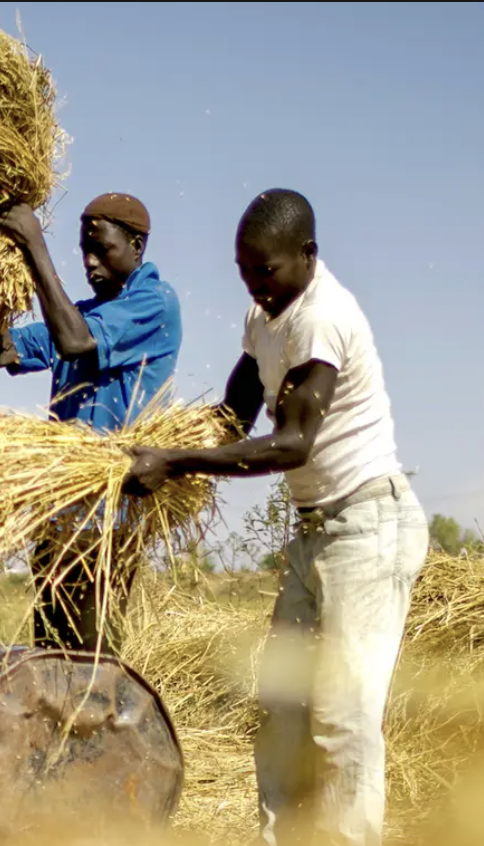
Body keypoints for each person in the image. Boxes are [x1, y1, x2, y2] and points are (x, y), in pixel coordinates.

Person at [124, 189, 428, 846]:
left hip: (369, 531)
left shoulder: (322, 318)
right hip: (315, 533)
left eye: (268, 270)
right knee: (284, 710)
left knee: (344, 718)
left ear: (307, 256)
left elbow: (292, 442)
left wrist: (177, 462)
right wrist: (157, 443)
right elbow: (235, 411)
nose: (256, 284)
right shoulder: (266, 319)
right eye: (245, 270)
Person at [0, 194, 182, 653]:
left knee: (93, 659)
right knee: (50, 652)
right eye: (83, 251)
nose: (90, 261)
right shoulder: (80, 312)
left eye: (102, 249)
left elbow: (76, 342)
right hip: (62, 512)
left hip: (109, 515)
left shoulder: (155, 302)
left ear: (137, 246)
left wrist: (35, 247)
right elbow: (0, 353)